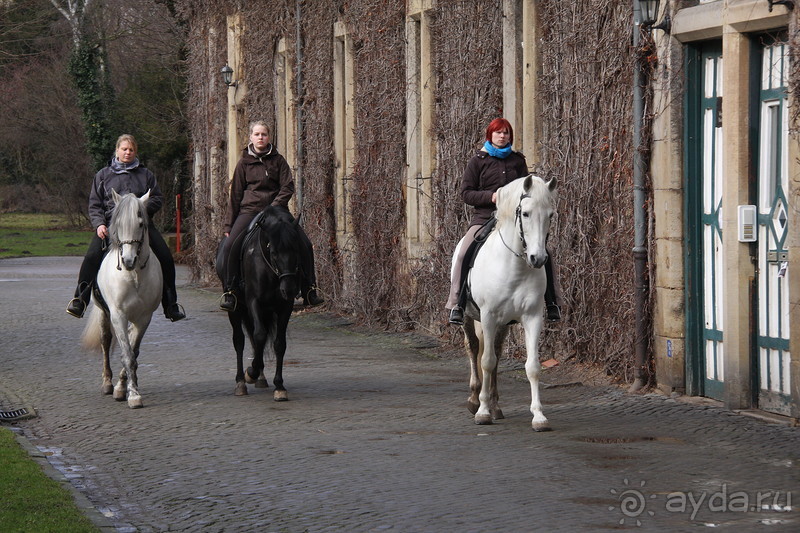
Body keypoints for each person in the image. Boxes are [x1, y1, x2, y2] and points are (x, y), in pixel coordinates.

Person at [446, 118, 561, 325]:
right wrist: (490, 197)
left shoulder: (517, 160)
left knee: (546, 253)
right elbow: (466, 193)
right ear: (490, 135)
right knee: (464, 252)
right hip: (484, 218)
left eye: (506, 133)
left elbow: (529, 193)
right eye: (498, 132)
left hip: (513, 220)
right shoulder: (478, 161)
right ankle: (458, 303)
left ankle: (552, 303)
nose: (502, 136)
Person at [66, 134, 186, 321]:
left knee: (165, 256)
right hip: (110, 226)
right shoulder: (103, 175)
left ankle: (170, 303)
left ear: (135, 152)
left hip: (140, 225)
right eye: (124, 149)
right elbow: (95, 204)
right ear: (117, 151)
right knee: (91, 256)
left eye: (131, 149)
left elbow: (157, 198)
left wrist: (140, 208)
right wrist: (99, 225)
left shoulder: (146, 175)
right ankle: (80, 299)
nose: (127, 152)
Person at [219, 120, 323, 311]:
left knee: (305, 244)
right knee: (229, 245)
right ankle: (230, 291)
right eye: (257, 134)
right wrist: (228, 225)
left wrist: (275, 206)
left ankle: (310, 289)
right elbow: (235, 195)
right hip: (249, 211)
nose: (260, 137)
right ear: (251, 137)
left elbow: (287, 186)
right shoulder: (243, 163)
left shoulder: (279, 160)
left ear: (269, 137)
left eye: (264, 134)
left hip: (277, 211)